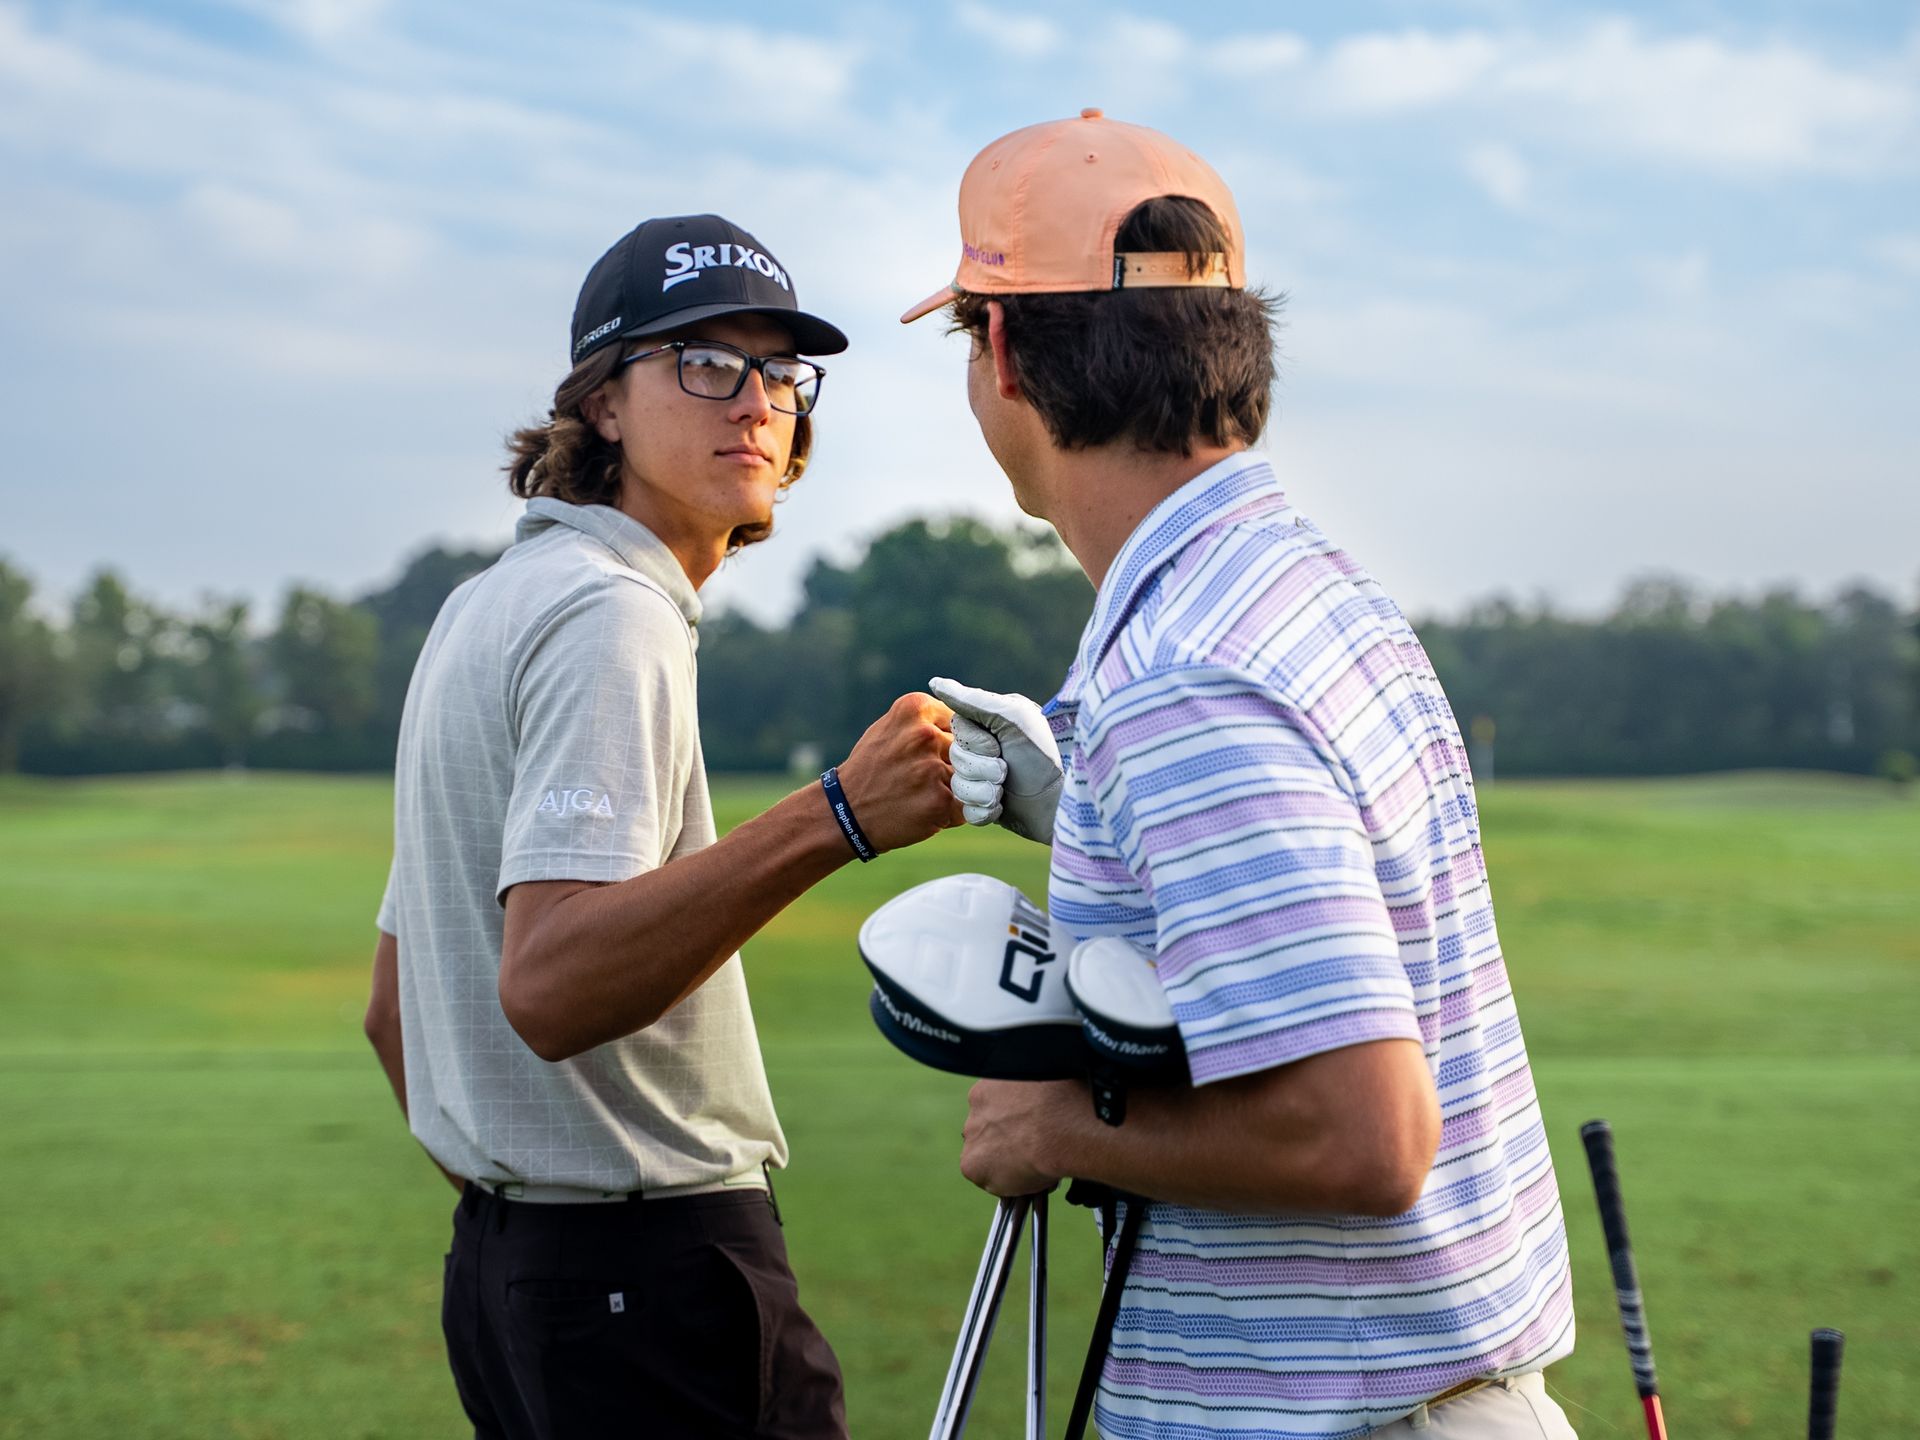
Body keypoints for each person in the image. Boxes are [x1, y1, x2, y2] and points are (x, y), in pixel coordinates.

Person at [904, 113, 1578, 1439]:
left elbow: (1361, 1139)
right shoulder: (1305, 591)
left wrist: (1057, 1132)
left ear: (998, 353)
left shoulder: (1185, 675)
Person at [363, 213, 960, 1440]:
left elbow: (394, 1008)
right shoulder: (610, 613)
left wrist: (526, 1223)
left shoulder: (485, 604)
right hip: (650, 1270)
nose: (754, 402)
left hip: (514, 1273)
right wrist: (838, 815)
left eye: (779, 371)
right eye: (703, 362)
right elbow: (551, 983)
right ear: (604, 406)